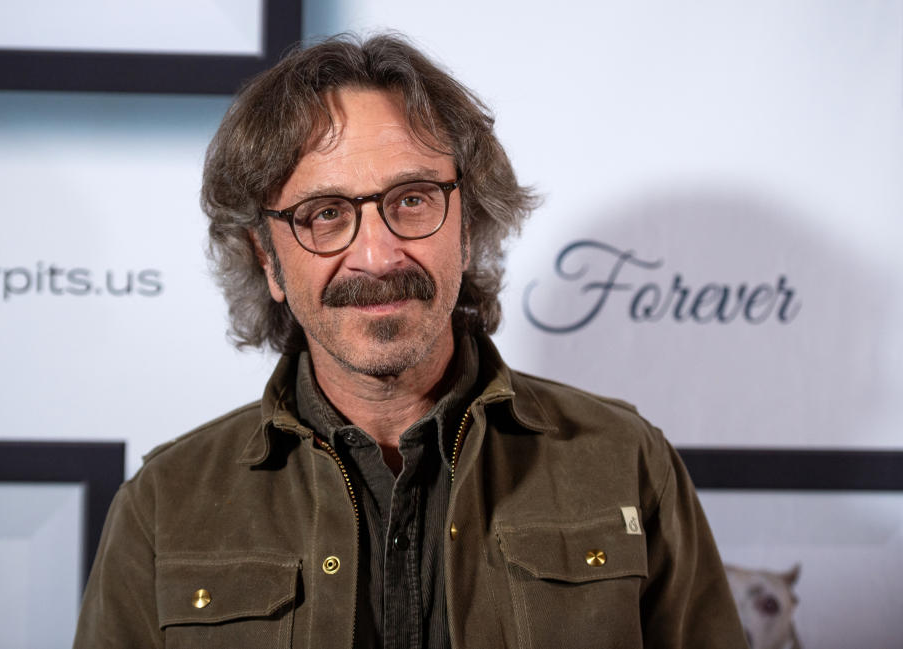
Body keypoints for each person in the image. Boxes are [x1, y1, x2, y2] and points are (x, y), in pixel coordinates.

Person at [74, 33, 747, 649]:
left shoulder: (625, 461)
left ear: (467, 220)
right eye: (325, 214)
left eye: (413, 199)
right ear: (267, 259)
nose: (376, 252)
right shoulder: (163, 505)